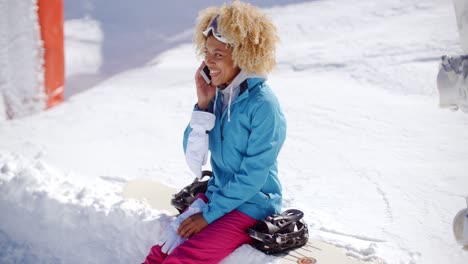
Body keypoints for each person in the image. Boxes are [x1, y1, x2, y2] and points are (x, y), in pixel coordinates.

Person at [143, 1, 287, 263]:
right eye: (207, 52)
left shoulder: (263, 105)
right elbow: (193, 156)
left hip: (252, 205)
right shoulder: (219, 97)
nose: (208, 62)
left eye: (218, 54)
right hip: (217, 196)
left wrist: (208, 216)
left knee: (185, 257)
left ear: (244, 56)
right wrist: (203, 105)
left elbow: (253, 176)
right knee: (161, 251)